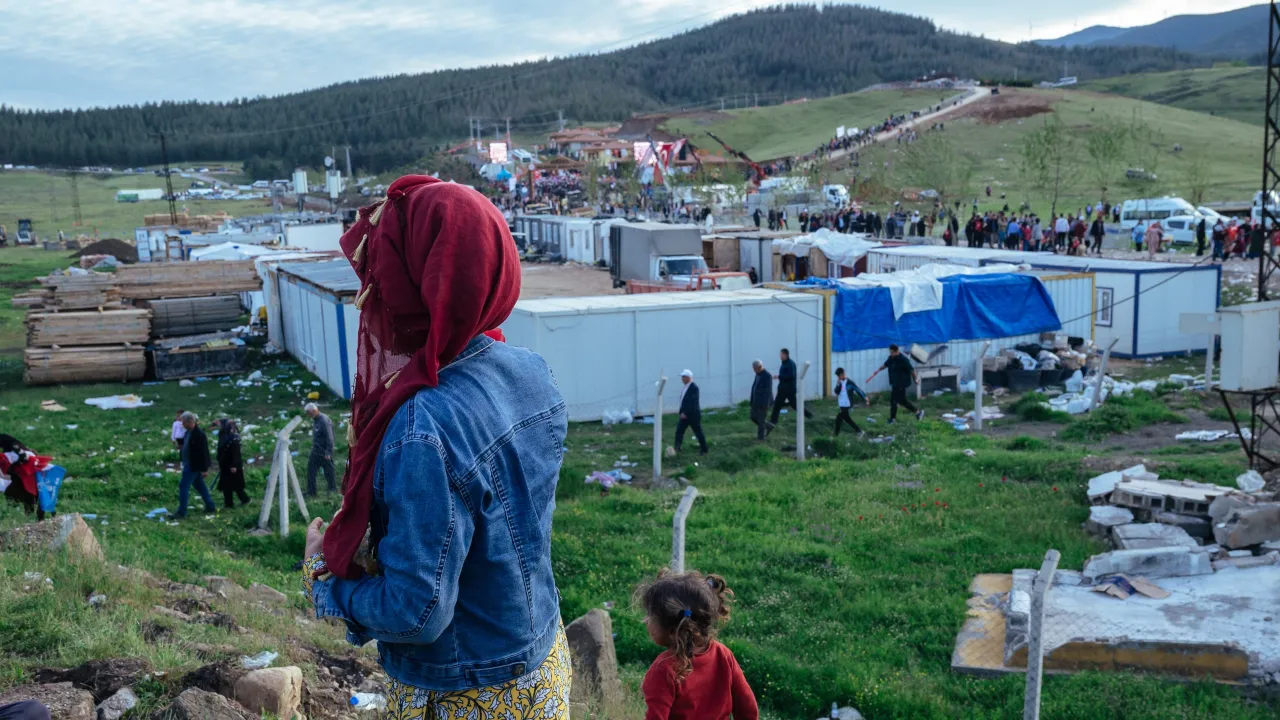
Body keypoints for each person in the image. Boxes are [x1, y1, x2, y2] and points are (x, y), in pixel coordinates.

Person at [302, 176, 571, 718]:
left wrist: (324, 582)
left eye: (386, 269)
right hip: (542, 663)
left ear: (418, 282)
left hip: (468, 694)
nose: (373, 289)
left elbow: (416, 612)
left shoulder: (423, 425)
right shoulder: (529, 372)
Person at [638, 570, 758, 720]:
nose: (646, 622)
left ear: (672, 630)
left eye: (649, 617)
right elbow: (748, 709)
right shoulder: (723, 654)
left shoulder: (663, 669)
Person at [866, 344, 922, 424]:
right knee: (901, 401)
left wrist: (915, 379)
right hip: (895, 383)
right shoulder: (891, 358)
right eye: (890, 352)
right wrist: (878, 370)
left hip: (901, 383)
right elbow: (885, 365)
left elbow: (911, 370)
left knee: (894, 401)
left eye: (892, 352)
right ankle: (917, 412)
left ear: (897, 351)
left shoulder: (903, 359)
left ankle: (893, 419)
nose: (890, 354)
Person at [175, 412, 216, 519]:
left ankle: (182, 512)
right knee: (200, 486)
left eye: (183, 422)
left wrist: (204, 469)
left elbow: (203, 453)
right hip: (189, 463)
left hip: (193, 465)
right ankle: (210, 506)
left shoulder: (199, 434)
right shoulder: (188, 432)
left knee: (183, 486)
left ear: (190, 422)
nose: (182, 424)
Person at [769, 349, 810, 425]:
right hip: (782, 389)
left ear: (785, 355)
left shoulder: (790, 364)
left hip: (789, 389)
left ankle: (808, 415)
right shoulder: (784, 364)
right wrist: (779, 377)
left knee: (795, 405)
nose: (780, 356)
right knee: (777, 405)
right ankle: (773, 421)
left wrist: (779, 376)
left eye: (781, 354)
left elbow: (791, 376)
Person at [215, 418, 250, 508]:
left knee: (237, 486)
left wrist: (234, 465)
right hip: (225, 465)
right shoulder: (223, 436)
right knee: (226, 486)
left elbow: (236, 453)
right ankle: (228, 503)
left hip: (233, 466)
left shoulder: (233, 438)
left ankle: (245, 499)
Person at [304, 403, 336, 496]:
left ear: (313, 411)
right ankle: (311, 492)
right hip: (316, 451)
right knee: (311, 471)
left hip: (324, 451)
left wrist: (328, 452)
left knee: (329, 471)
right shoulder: (316, 420)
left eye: (308, 413)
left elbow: (330, 437)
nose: (308, 415)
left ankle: (332, 490)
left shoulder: (324, 420)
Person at [674, 370, 708, 456]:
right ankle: (677, 447)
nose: (682, 379)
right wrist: (681, 411)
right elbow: (683, 401)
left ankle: (704, 449)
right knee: (679, 431)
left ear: (688, 377)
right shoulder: (685, 387)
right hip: (684, 414)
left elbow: (692, 402)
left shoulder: (694, 387)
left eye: (683, 377)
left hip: (692, 415)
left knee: (698, 431)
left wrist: (685, 412)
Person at [832, 368, 868, 436]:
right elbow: (836, 392)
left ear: (843, 374)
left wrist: (864, 397)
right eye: (838, 376)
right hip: (842, 404)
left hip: (848, 404)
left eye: (839, 375)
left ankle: (835, 435)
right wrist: (837, 385)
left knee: (839, 418)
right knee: (846, 418)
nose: (839, 377)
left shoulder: (849, 382)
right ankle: (859, 431)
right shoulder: (839, 382)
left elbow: (858, 390)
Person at [749, 360, 773, 441]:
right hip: (755, 401)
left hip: (763, 402)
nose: (754, 370)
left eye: (755, 368)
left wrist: (765, 404)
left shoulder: (767, 376)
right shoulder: (757, 374)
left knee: (761, 420)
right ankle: (768, 426)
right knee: (753, 417)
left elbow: (768, 391)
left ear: (759, 367)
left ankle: (761, 438)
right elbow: (755, 387)